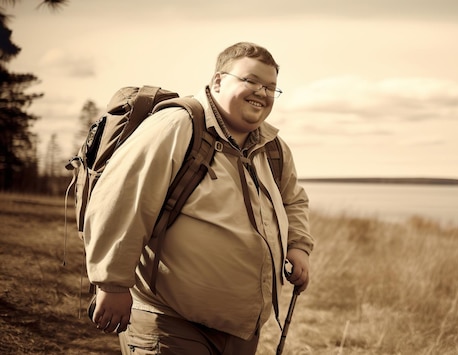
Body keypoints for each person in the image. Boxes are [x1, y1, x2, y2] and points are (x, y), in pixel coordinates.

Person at [83, 42, 314, 354]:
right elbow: (123, 198)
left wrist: (298, 245)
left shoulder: (273, 147)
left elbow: (293, 200)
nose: (262, 92)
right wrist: (111, 283)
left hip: (241, 331)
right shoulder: (177, 126)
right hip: (169, 321)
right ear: (218, 81)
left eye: (271, 87)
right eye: (251, 81)